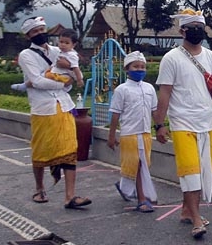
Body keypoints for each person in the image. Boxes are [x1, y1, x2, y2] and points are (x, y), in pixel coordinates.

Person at [153, 10, 212, 239]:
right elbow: (165, 93)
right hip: (183, 123)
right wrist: (159, 124)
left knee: (201, 172)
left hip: (206, 122)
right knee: (190, 172)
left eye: (199, 27)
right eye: (191, 27)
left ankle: (185, 210)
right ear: (182, 31)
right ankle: (196, 218)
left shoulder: (211, 57)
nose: (196, 31)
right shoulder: (171, 58)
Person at [18, 16, 90, 212]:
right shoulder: (26, 55)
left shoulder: (60, 50)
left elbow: (74, 70)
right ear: (28, 36)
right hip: (43, 108)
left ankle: (70, 196)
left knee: (70, 148)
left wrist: (69, 77)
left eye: (42, 29)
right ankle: (39, 187)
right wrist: (64, 82)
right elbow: (37, 81)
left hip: (64, 105)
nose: (40, 33)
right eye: (35, 31)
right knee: (41, 148)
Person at [106, 51, 158, 213]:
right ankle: (142, 199)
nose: (140, 69)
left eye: (142, 67)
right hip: (129, 134)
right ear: (127, 69)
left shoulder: (149, 88)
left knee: (142, 165)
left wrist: (160, 127)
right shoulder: (122, 90)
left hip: (145, 133)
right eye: (136, 66)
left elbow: (154, 111)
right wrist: (111, 135)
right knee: (137, 165)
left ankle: (125, 187)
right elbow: (115, 114)